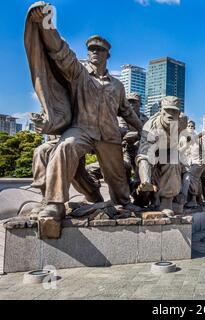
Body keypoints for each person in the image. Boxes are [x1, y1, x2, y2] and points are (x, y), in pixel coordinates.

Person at [27, 4, 143, 221]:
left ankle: (124, 202)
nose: (94, 53)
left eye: (99, 50)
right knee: (65, 148)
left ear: (108, 54)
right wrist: (45, 23)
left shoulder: (117, 85)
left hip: (109, 134)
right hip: (82, 129)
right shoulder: (79, 73)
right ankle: (55, 203)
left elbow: (126, 111)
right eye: (91, 49)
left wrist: (143, 130)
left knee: (117, 177)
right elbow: (60, 51)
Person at [136, 96, 187, 212]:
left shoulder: (182, 122)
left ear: (179, 114)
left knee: (173, 162)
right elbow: (144, 156)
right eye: (167, 111)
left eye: (174, 111)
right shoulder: (150, 127)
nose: (170, 114)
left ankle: (166, 203)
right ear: (161, 112)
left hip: (168, 151)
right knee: (141, 197)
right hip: (151, 154)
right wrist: (146, 180)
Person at [178, 120, 204, 208]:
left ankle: (190, 200)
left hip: (195, 163)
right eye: (188, 126)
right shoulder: (181, 137)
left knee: (190, 178)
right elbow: (179, 150)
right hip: (183, 162)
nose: (190, 127)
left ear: (195, 128)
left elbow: (203, 152)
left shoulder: (199, 139)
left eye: (192, 126)